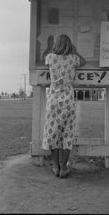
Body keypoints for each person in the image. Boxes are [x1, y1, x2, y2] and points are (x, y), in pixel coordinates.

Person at [42, 34, 86, 178]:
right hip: (67, 100)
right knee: (67, 133)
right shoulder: (73, 59)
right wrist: (75, 51)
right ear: (69, 45)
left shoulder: (51, 57)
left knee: (53, 132)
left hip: (53, 100)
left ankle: (55, 166)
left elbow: (44, 57)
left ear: (56, 45)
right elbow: (83, 61)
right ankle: (64, 168)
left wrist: (49, 47)